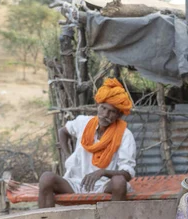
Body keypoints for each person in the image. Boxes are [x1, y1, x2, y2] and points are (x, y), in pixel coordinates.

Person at [36, 78, 136, 208]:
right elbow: (63, 131)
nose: (105, 114)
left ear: (119, 115)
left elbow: (127, 174)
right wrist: (68, 155)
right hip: (76, 183)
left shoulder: (125, 135)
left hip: (104, 185)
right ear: (97, 106)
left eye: (111, 111)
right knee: (46, 178)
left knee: (119, 182)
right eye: (103, 108)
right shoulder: (83, 122)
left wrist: (102, 172)